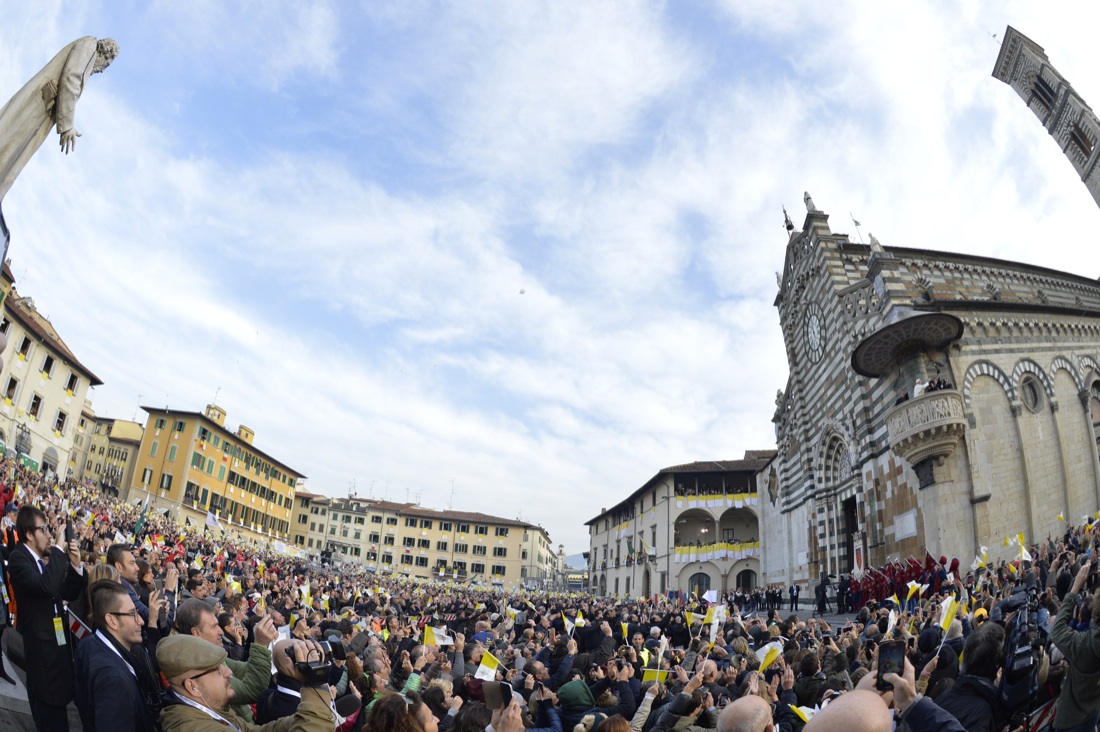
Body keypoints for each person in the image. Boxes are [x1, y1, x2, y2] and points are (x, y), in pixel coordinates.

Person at [0, 37, 119, 202]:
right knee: (6, 146)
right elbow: (71, 78)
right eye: (106, 64)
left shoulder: (90, 50)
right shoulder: (90, 45)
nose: (102, 70)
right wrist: (68, 126)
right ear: (105, 54)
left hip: (42, 111)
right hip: (38, 106)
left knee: (9, 156)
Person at [7, 504, 86, 731]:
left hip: (55, 658)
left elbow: (66, 592)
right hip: (42, 662)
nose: (50, 536)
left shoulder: (41, 563)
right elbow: (47, 587)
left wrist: (76, 564)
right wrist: (60, 550)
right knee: (52, 723)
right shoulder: (19, 558)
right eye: (44, 530)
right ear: (30, 534)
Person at [157, 633, 333, 731]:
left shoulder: (207, 708)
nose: (228, 671)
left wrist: (299, 720)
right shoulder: (196, 728)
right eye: (217, 669)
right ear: (192, 686)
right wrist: (316, 683)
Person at [72, 580, 160, 731]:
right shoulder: (113, 681)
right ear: (112, 620)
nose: (140, 621)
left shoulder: (89, 643)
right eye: (133, 614)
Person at [1050, 562, 1100, 731]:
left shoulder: (1083, 644)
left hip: (1073, 720)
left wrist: (1075, 588)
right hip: (1093, 711)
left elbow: (1056, 631)